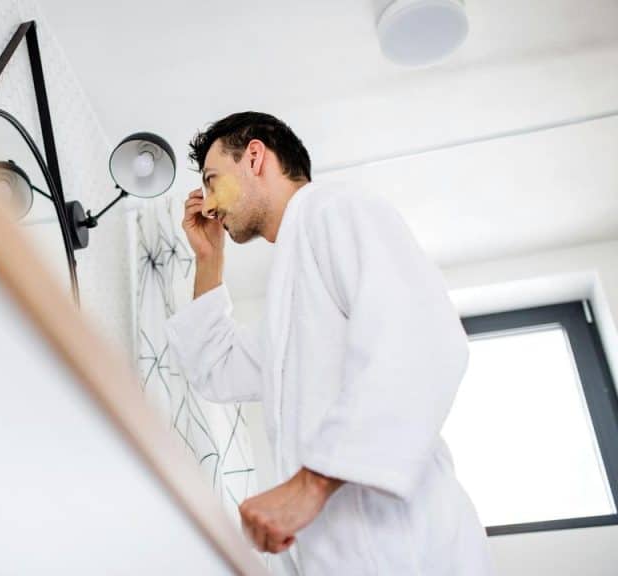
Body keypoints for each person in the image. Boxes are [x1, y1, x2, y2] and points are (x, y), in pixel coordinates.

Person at [166, 112, 494, 575]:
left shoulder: (337, 209)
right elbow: (218, 369)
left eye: (212, 179)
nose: (209, 204)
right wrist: (208, 259)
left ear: (255, 157)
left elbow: (418, 340)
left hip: (405, 549)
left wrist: (310, 486)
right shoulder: (290, 290)